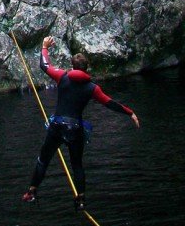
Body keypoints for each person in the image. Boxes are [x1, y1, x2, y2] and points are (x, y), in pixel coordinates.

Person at [22, 36, 140, 210]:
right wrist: (130, 113)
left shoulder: (63, 77)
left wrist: (44, 47)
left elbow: (44, 65)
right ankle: (81, 200)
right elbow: (110, 103)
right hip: (75, 130)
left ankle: (31, 192)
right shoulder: (92, 88)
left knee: (43, 160)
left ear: (72, 65)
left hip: (57, 127)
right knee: (77, 165)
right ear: (87, 68)